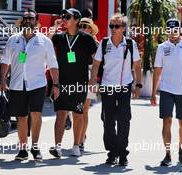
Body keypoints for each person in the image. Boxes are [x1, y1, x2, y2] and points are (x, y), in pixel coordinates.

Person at [0, 9, 59, 161]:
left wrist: (56, 84)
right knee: (21, 117)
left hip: (37, 84)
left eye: (31, 18)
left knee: (36, 115)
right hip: (17, 84)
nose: (27, 20)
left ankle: (35, 147)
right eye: (25, 18)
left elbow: (53, 64)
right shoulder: (13, 40)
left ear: (36, 22)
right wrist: (2, 79)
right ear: (22, 21)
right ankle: (23, 149)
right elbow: (5, 61)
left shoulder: (44, 41)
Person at [90, 13, 142, 166]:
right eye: (111, 26)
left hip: (125, 86)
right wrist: (93, 81)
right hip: (107, 87)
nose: (113, 29)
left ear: (123, 28)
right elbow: (96, 64)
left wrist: (138, 85)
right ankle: (112, 152)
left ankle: (123, 153)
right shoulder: (104, 43)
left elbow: (137, 65)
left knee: (124, 120)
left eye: (116, 26)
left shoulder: (131, 44)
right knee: (108, 120)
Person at [49, 8, 97, 157]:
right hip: (61, 82)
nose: (64, 19)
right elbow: (45, 42)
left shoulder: (86, 39)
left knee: (78, 114)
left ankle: (76, 145)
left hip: (80, 82)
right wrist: (54, 28)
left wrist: (93, 79)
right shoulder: (59, 37)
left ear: (76, 20)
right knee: (61, 113)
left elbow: (97, 59)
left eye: (67, 17)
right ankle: (57, 147)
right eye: (63, 16)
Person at [151, 19, 182, 166]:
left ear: (179, 30)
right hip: (166, 90)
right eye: (170, 30)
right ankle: (167, 154)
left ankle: (181, 146)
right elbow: (157, 70)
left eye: (175, 30)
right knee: (167, 121)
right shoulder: (162, 47)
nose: (172, 33)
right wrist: (153, 92)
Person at [78, 17, 99, 152]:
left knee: (84, 109)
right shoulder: (75, 41)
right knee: (76, 110)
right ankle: (80, 134)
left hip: (91, 79)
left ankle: (80, 141)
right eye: (81, 26)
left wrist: (94, 82)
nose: (83, 29)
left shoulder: (96, 44)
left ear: (91, 29)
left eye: (86, 26)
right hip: (75, 78)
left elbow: (98, 64)